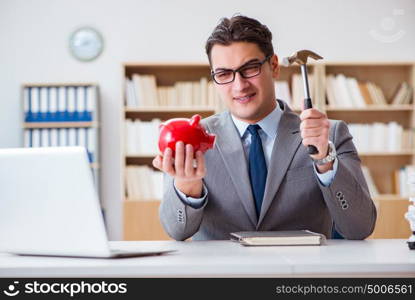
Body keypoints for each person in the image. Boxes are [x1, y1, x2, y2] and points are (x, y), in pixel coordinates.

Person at [153, 15, 376, 241]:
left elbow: (359, 227)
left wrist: (325, 161)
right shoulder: (194, 137)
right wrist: (187, 186)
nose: (239, 86)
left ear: (274, 66)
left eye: (250, 68)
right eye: (224, 74)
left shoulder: (330, 135)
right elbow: (177, 231)